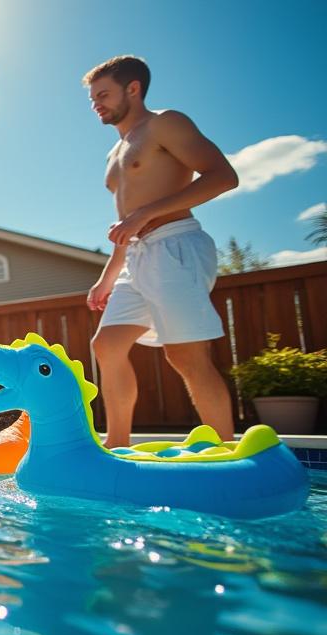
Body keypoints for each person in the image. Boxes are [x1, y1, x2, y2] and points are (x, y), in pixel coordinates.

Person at [82, 55, 239, 448]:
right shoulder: (114, 153)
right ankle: (118, 445)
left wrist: (144, 215)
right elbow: (126, 224)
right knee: (107, 346)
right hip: (137, 258)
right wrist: (108, 276)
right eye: (92, 98)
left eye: (103, 94)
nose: (96, 104)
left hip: (175, 244)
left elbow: (224, 176)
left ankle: (224, 451)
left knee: (185, 356)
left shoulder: (164, 123)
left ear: (132, 89)